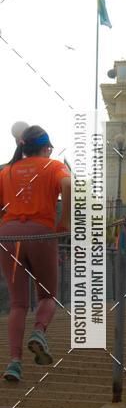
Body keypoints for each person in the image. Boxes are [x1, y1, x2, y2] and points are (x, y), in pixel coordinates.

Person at [0, 125, 71, 382]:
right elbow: (68, 184)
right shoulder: (53, 166)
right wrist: (65, 221)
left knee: (18, 303)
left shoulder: (6, 171)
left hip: (8, 235)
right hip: (41, 233)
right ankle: (39, 331)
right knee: (48, 295)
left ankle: (14, 362)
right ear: (47, 148)